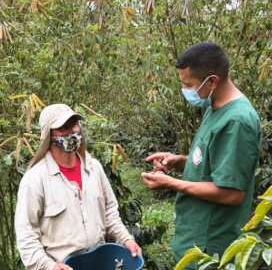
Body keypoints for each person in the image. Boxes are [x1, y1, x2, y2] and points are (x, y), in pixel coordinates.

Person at [141, 42, 262, 269]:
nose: (185, 90)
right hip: (193, 238)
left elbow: (231, 192)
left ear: (213, 81)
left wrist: (171, 183)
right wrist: (179, 162)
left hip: (211, 247)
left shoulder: (237, 121)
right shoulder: (215, 107)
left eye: (189, 84)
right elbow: (214, 163)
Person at [15, 104, 142, 270]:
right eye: (63, 128)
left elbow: (110, 213)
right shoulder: (34, 180)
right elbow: (27, 236)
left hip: (100, 263)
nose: (71, 131)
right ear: (48, 135)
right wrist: (49, 266)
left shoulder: (94, 168)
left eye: (74, 125)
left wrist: (126, 239)